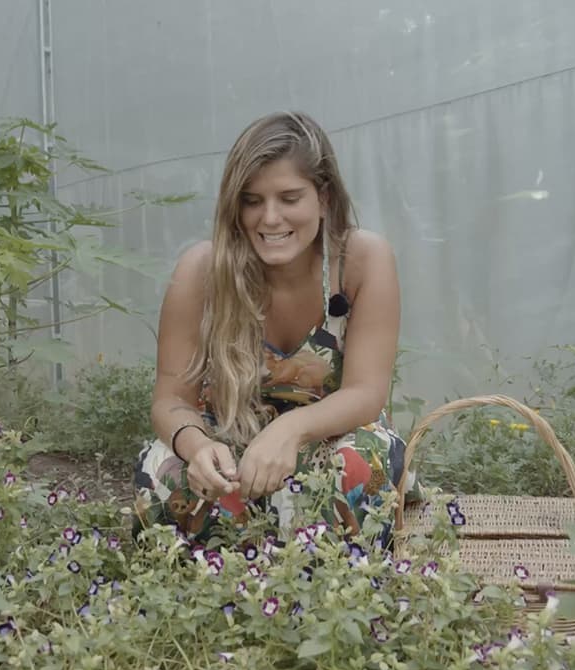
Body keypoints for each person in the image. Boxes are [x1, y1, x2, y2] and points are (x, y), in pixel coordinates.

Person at [133, 111, 418, 544]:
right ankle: (202, 592)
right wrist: (196, 446)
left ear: (322, 197)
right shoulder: (202, 271)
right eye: (252, 200)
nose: (269, 218)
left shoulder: (361, 260)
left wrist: (288, 430)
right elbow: (171, 401)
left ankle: (336, 593)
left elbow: (365, 392)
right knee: (162, 469)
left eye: (289, 198)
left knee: (353, 467)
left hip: (333, 431)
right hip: (231, 429)